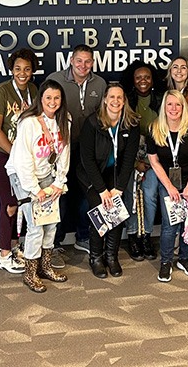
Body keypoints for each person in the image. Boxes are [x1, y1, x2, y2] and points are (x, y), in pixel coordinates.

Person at [5, 80, 72, 292]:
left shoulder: (65, 121)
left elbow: (63, 154)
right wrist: (35, 190)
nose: (53, 102)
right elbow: (23, 160)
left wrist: (60, 181)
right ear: (40, 100)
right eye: (48, 98)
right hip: (25, 177)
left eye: (56, 98)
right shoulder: (29, 123)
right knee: (35, 227)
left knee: (51, 224)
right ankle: (30, 273)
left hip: (47, 176)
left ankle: (45, 267)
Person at [46, 44, 106, 261]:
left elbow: (103, 115)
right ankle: (54, 243)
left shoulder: (99, 83)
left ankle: (82, 237)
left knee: (85, 195)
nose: (83, 65)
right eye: (79, 61)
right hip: (59, 149)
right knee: (59, 196)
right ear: (71, 60)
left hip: (88, 151)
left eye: (88, 61)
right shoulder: (56, 79)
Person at [0, 48, 40, 275]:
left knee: (22, 204)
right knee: (9, 205)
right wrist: (16, 155)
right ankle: (4, 255)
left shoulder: (35, 90)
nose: (22, 73)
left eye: (27, 69)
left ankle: (14, 246)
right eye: (18, 68)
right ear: (11, 69)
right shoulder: (2, 91)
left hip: (25, 159)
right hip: (2, 156)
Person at [78, 84, 140, 278]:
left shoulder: (131, 123)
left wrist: (119, 189)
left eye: (119, 97)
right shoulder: (92, 122)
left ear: (124, 101)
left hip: (116, 174)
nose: (115, 101)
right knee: (100, 208)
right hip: (91, 174)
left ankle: (111, 256)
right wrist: (103, 190)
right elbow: (87, 159)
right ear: (105, 99)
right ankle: (96, 257)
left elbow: (129, 159)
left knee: (117, 209)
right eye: (111, 97)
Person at [146, 90, 188, 283]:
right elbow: (154, 161)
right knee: (169, 224)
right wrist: (170, 187)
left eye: (178, 105)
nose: (174, 109)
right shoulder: (154, 128)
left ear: (183, 107)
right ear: (164, 107)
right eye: (169, 104)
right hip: (168, 182)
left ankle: (185, 259)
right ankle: (166, 262)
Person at [119, 60, 164, 262]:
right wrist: (135, 161)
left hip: (155, 158)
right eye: (138, 77)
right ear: (133, 80)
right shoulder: (125, 101)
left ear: (152, 79)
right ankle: (132, 236)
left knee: (149, 195)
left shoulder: (161, 100)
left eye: (146, 77)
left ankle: (145, 235)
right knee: (129, 196)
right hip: (130, 157)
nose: (143, 81)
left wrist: (149, 159)